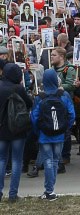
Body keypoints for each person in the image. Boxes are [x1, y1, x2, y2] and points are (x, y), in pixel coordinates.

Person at [31, 69, 75, 201]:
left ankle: (49, 191)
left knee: (48, 161)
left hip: (44, 134)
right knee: (55, 160)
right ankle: (51, 189)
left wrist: (38, 131)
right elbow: (71, 114)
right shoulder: (64, 95)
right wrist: (65, 128)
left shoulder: (40, 97)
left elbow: (34, 117)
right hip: (60, 134)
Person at [0, 63, 33, 202]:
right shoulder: (18, 88)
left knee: (1, 160)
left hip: (1, 129)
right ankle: (13, 194)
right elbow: (29, 103)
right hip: (18, 129)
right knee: (16, 160)